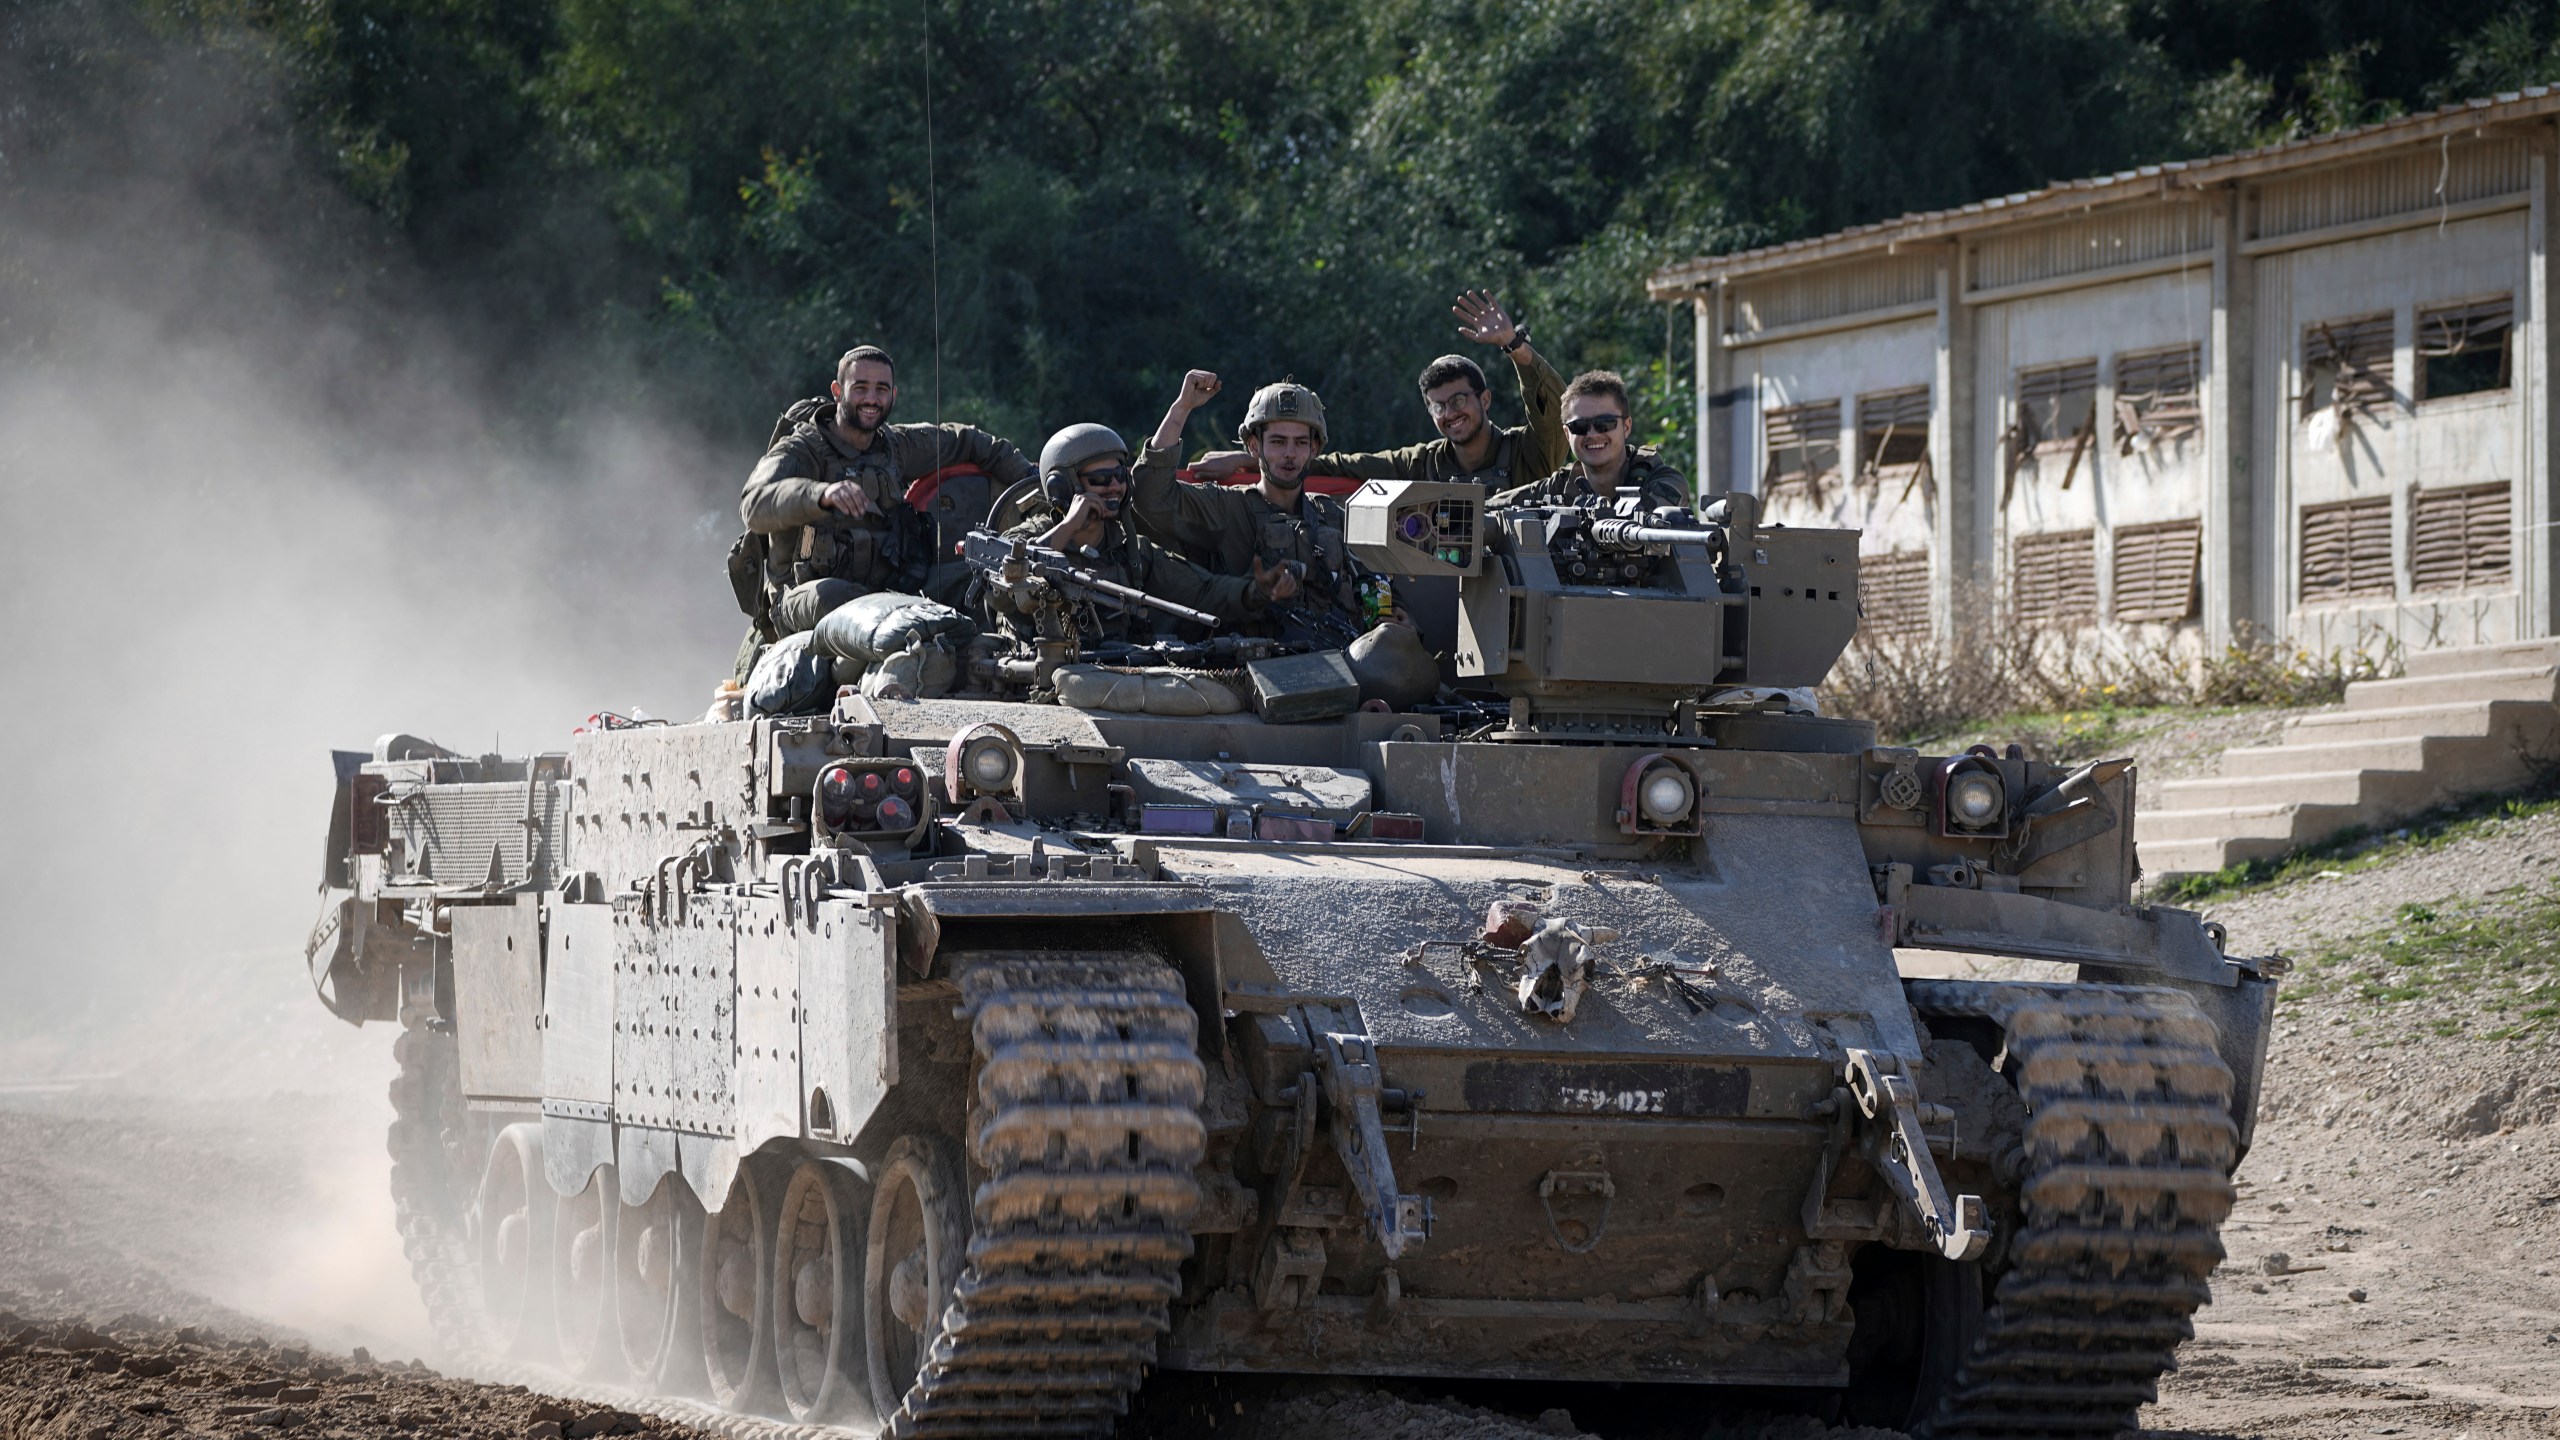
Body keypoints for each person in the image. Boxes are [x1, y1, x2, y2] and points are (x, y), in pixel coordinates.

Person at [737, 344, 1035, 639]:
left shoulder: (896, 447)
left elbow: (970, 441)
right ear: (837, 391)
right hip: (804, 598)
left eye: (881, 389)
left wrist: (1037, 482)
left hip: (892, 594)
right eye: (860, 387)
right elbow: (753, 505)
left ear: (893, 395)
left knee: (980, 579)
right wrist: (820, 495)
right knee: (834, 597)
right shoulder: (801, 450)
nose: (871, 399)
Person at [1192, 291, 1565, 492]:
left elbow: (1554, 411)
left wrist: (1515, 347)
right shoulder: (1422, 464)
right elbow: (1338, 465)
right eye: (1438, 406)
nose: (1450, 413)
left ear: (1485, 400)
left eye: (1458, 400)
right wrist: (1245, 460)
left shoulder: (1528, 455)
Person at [986, 423, 1297, 646]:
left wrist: (1256, 592)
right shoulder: (1030, 535)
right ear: (1064, 487)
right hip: (1038, 675)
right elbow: (1002, 586)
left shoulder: (1131, 551)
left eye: (1119, 475)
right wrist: (1068, 526)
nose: (1114, 486)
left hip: (1112, 676)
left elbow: (1204, 592)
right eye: (1100, 478)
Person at [1126, 370, 1372, 636]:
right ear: (1254, 447)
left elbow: (1376, 580)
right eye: (1278, 442)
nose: (1290, 453)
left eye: (1300, 442)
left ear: (1314, 449)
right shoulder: (1227, 508)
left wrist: (1395, 612)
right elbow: (1152, 495)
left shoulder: (1331, 515)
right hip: (1254, 664)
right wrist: (1181, 408)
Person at [1492, 369, 1689, 511]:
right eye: (1580, 426)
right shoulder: (1560, 487)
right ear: (1567, 434)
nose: (1593, 434)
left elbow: (1659, 511)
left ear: (1626, 427)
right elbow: (1499, 504)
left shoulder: (1662, 480)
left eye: (1605, 423)